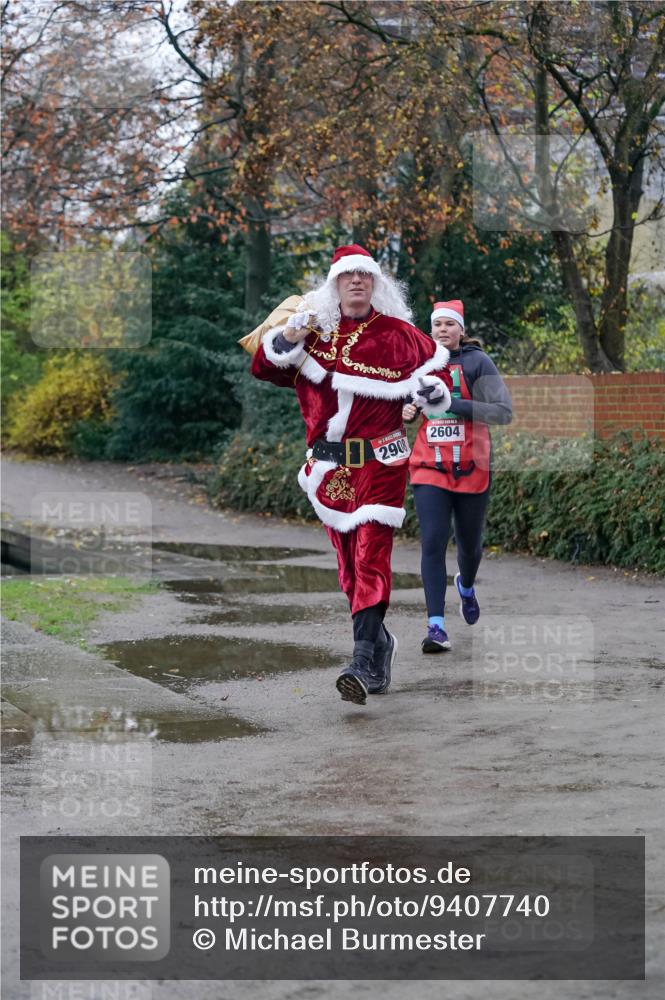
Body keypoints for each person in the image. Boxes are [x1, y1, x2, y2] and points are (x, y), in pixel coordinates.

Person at [251, 245, 452, 704]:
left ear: (376, 283)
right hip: (327, 465)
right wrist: (289, 335)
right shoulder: (314, 334)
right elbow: (263, 367)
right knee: (347, 569)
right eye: (348, 276)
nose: (356, 282)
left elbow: (435, 389)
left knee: (370, 556)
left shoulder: (400, 336)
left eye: (364, 275)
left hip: (381, 462)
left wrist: (429, 396)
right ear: (334, 284)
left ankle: (362, 660)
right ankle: (380, 644)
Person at [402, 299, 512, 652]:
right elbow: (403, 404)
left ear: (461, 330)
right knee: (433, 540)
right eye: (438, 325)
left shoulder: (478, 362)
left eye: (450, 324)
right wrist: (404, 411)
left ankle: (465, 585)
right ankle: (436, 627)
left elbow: (503, 412)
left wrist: (455, 405)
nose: (443, 330)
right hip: (428, 466)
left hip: (472, 466)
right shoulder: (419, 364)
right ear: (431, 330)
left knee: (469, 546)